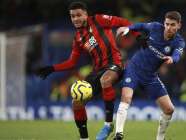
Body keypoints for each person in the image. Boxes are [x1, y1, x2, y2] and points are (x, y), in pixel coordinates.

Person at [35, 1, 137, 140]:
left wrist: (136, 34)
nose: (76, 19)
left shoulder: (98, 20)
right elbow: (72, 62)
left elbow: (123, 21)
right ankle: (84, 138)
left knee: (105, 80)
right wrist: (52, 68)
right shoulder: (78, 38)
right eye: (72, 16)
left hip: (115, 64)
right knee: (76, 101)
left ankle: (108, 125)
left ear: (86, 14)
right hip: (97, 70)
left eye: (78, 15)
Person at [113, 11, 186, 140]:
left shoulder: (179, 42)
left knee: (169, 109)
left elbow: (177, 54)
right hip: (134, 68)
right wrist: (127, 28)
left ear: (179, 25)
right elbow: (140, 25)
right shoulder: (156, 27)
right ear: (164, 23)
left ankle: (160, 138)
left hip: (150, 77)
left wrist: (172, 59)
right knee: (126, 97)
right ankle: (118, 134)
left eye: (172, 25)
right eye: (167, 24)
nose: (168, 27)